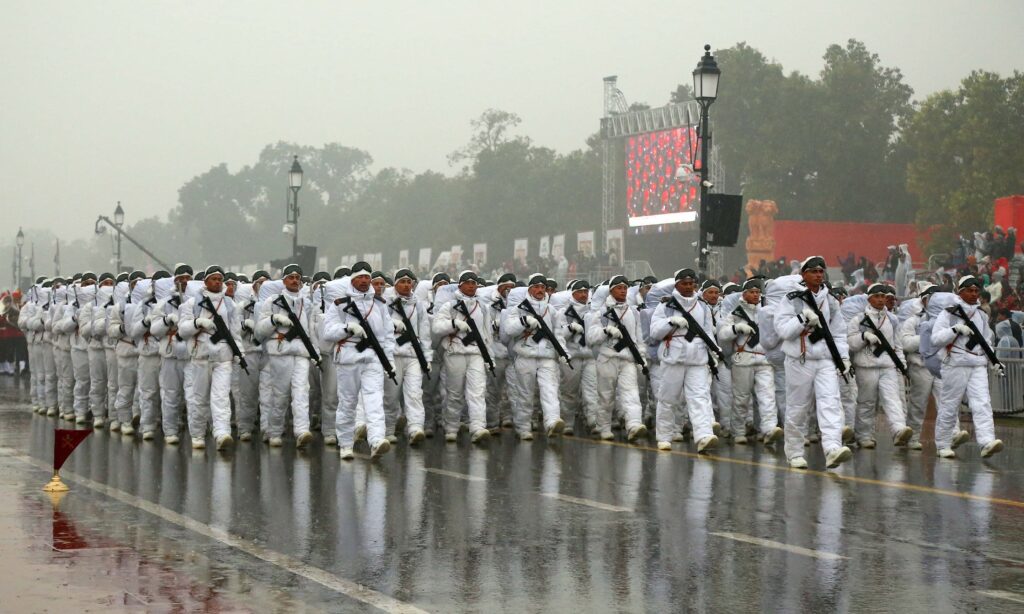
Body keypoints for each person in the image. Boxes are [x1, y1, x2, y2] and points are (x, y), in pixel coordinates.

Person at [774, 256, 854, 469]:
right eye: (813, 271)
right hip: (800, 359)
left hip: (826, 359)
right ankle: (794, 452)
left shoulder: (830, 301)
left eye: (821, 271)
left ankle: (832, 448)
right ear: (803, 274)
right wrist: (802, 319)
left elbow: (838, 332)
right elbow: (782, 330)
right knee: (798, 407)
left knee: (830, 402)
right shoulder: (792, 299)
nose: (818, 275)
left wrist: (843, 357)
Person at [321, 261, 396, 459]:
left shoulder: (379, 304)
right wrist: (346, 329)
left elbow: (387, 335)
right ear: (352, 279)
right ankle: (345, 443)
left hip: (372, 359)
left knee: (374, 400)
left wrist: (389, 361)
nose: (364, 281)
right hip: (348, 358)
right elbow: (328, 332)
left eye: (367, 277)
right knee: (348, 402)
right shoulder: (339, 304)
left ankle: (376, 440)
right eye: (360, 277)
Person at [930, 276, 1005, 459]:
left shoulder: (981, 315)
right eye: (969, 290)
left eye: (976, 291)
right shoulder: (948, 313)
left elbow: (986, 341)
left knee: (982, 402)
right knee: (950, 404)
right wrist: (955, 330)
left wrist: (993, 361)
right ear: (960, 291)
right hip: (955, 364)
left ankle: (987, 441)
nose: (973, 294)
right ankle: (943, 444)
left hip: (977, 364)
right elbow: (935, 339)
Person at [178, 265, 244, 451]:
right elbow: (183, 330)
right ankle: (197, 434)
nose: (217, 282)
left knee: (221, 397)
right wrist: (197, 323)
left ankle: (222, 433)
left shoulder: (229, 304)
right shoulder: (192, 303)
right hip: (200, 357)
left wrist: (239, 353)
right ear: (205, 281)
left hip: (223, 358)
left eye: (220, 279)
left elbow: (235, 333)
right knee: (199, 399)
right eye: (214, 279)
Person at [650, 269, 716, 452]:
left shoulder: (702, 306)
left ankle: (704, 435)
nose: (688, 287)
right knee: (668, 399)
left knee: (700, 398)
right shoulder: (666, 306)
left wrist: (713, 355)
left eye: (691, 283)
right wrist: (671, 322)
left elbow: (708, 332)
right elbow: (654, 332)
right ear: (677, 284)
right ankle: (664, 436)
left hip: (697, 359)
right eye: (684, 283)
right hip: (673, 358)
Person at [846, 283, 914, 449]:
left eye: (883, 296)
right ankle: (864, 435)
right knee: (867, 402)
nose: (881, 300)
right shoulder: (858, 319)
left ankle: (898, 429)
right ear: (869, 298)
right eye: (877, 296)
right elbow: (851, 343)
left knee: (893, 399)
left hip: (887, 366)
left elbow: (897, 345)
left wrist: (902, 366)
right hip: (866, 367)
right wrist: (864, 336)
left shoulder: (892, 319)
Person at [256, 264, 316, 448]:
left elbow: (311, 330)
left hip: (301, 351)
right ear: (283, 281)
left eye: (298, 278)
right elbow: (259, 332)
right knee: (280, 394)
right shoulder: (272, 302)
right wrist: (273, 320)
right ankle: (274, 431)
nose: (295, 281)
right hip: (280, 351)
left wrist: (316, 353)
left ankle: (301, 430)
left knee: (301, 391)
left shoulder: (306, 303)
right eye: (291, 277)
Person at [502, 273, 567, 438]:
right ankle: (523, 427)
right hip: (525, 355)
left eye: (542, 287)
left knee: (550, 390)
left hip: (547, 356)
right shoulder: (519, 309)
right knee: (525, 393)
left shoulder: (551, 310)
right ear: (529, 289)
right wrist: (524, 322)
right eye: (536, 287)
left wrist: (563, 352)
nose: (540, 290)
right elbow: (508, 329)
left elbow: (558, 334)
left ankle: (552, 421)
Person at [718, 278, 783, 445]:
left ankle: (769, 428)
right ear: (744, 294)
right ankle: (738, 430)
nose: (755, 295)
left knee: (767, 397)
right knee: (741, 398)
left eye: (757, 292)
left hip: (763, 359)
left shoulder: (766, 312)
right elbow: (722, 334)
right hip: (743, 359)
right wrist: (736, 328)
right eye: (752, 292)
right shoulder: (735, 313)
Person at [431, 271, 493, 444]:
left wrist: (490, 358)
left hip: (476, 354)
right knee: (454, 392)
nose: (472, 286)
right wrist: (453, 324)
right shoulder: (449, 306)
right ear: (460, 285)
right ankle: (451, 426)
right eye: (468, 283)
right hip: (455, 352)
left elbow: (487, 335)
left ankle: (478, 427)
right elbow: (437, 327)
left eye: (474, 283)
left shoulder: (483, 307)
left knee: (477, 392)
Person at [586, 275, 649, 442]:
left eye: (625, 288)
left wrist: (641, 356)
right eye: (619, 288)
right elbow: (591, 337)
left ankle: (634, 424)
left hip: (628, 359)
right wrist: (605, 331)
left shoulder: (633, 312)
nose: (623, 291)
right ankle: (604, 426)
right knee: (606, 395)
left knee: (631, 393)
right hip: (607, 358)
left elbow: (638, 337)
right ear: (611, 290)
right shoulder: (601, 312)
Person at [384, 268, 431, 444]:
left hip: (413, 356)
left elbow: (424, 332)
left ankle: (415, 428)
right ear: (395, 284)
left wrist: (426, 357)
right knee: (390, 395)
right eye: (402, 282)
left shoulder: (418, 305)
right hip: (393, 354)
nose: (405, 285)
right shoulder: (386, 302)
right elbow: (378, 324)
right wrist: (392, 324)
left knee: (414, 394)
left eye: (408, 282)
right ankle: (388, 429)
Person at [147, 264, 193, 443]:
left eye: (188, 278)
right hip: (170, 354)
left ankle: (196, 432)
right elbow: (155, 329)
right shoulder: (163, 304)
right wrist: (167, 321)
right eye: (180, 278)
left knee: (193, 397)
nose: (184, 282)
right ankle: (171, 431)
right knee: (171, 396)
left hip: (190, 355)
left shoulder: (196, 302)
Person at [557, 279, 597, 436]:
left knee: (592, 390)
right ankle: (567, 421)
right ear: (572, 294)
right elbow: (559, 336)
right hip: (572, 357)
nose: (583, 295)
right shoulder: (563, 313)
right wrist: (570, 329)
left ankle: (593, 420)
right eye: (579, 292)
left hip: (589, 356)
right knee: (569, 391)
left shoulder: (593, 312)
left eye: (585, 292)